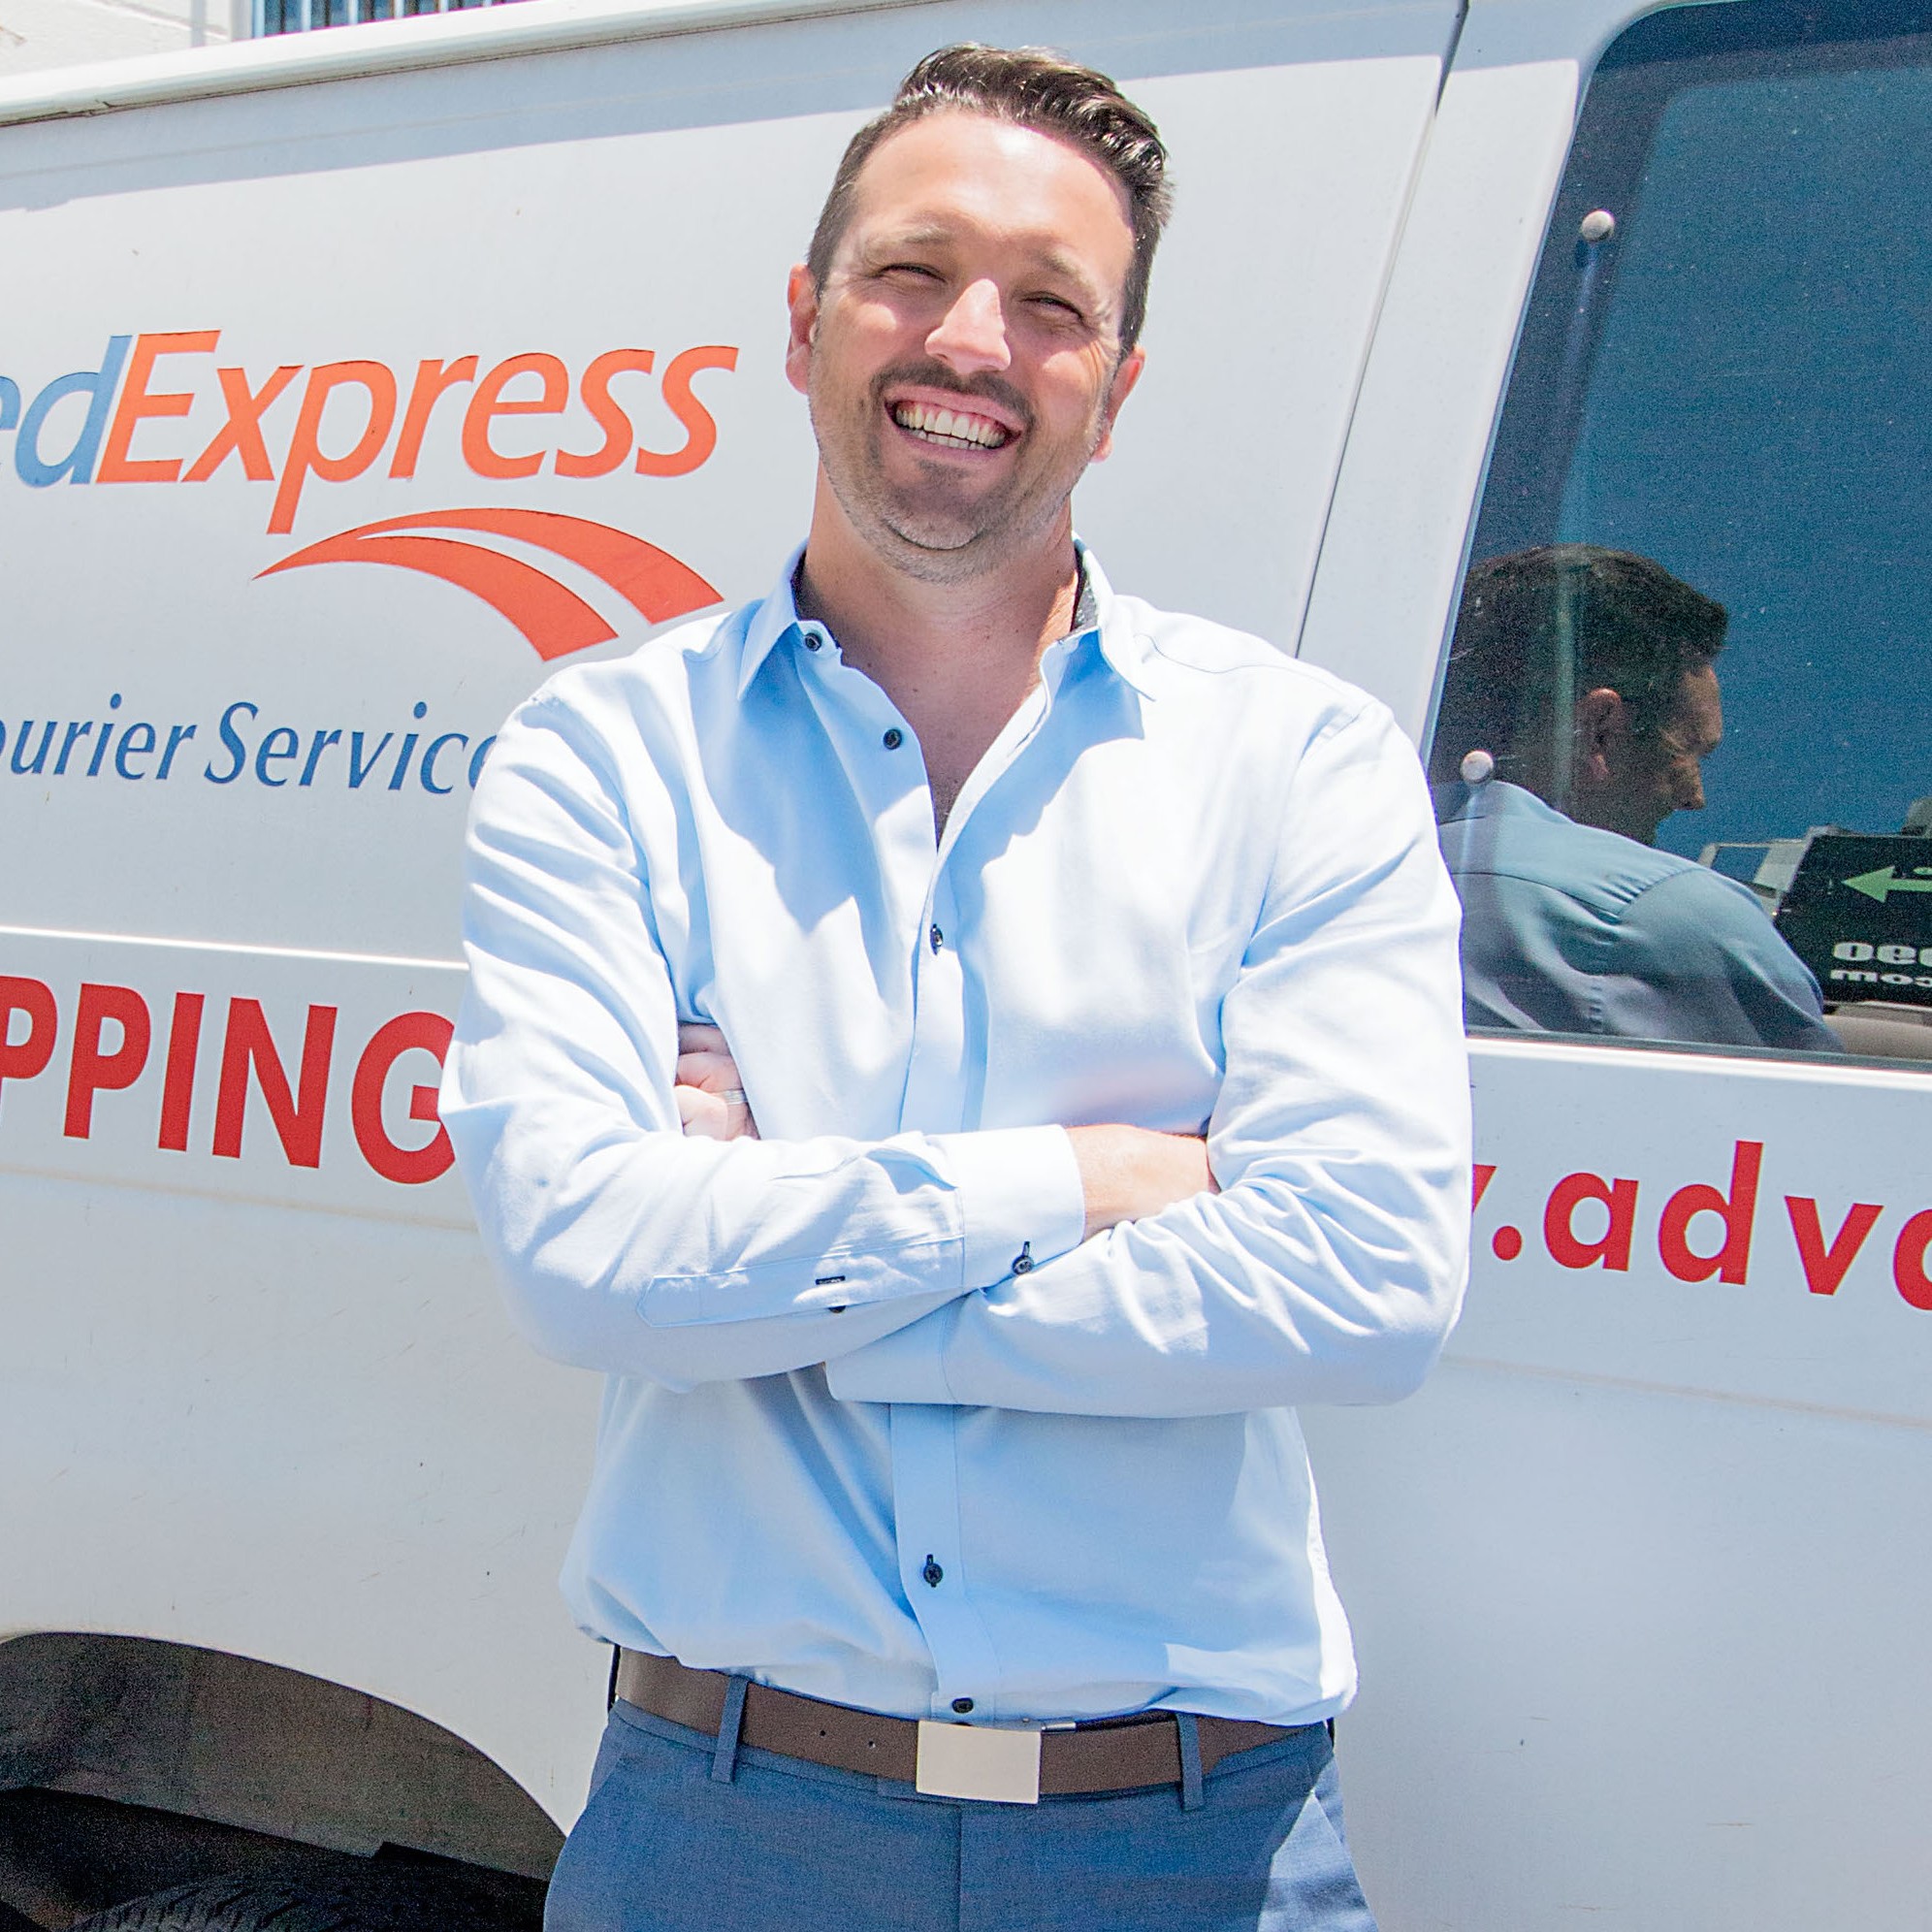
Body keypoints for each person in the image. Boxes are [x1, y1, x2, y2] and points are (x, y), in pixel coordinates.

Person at [441, 44, 1469, 1931]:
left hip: (1183, 1842)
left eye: (1053, 302)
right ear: (805, 319)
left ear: (1118, 384)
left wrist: (775, 1289)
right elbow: (581, 1256)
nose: (973, 339)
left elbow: (1363, 1281)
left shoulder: (1297, 762)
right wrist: (1083, 1177)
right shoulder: (606, 753)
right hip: (727, 1828)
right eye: (913, 270)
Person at [1431, 544, 1838, 1051]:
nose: (1696, 798)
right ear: (1599, 731)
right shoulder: (1668, 916)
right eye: (1689, 752)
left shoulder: (1326, 857)